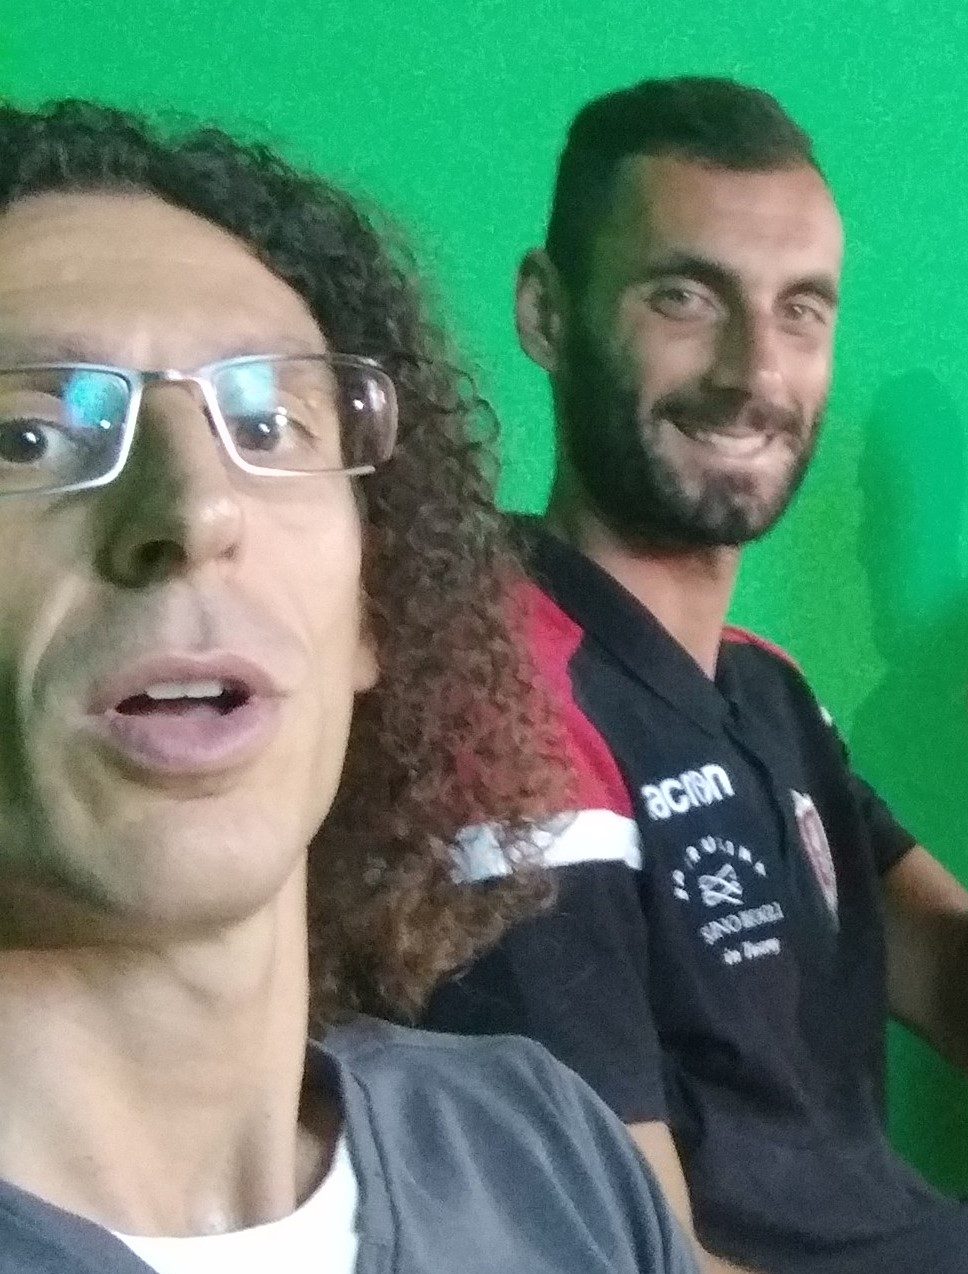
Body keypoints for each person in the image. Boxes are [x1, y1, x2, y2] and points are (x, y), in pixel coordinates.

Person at [422, 78, 968, 1274]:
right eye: (685, 296)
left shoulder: (765, 687)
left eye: (800, 310)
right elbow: (630, 1255)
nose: (754, 370)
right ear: (547, 312)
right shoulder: (504, 704)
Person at [0, 100, 698, 1274]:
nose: (196, 506)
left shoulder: (544, 1149)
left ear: (373, 603)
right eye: (26, 438)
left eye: (269, 421)